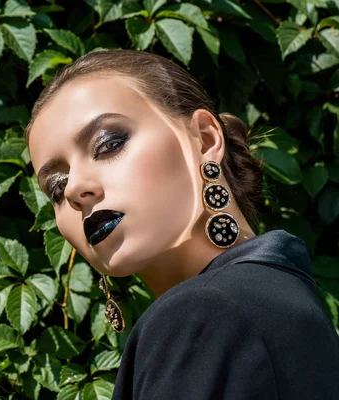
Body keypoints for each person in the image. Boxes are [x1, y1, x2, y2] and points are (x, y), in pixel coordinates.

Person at [25, 49, 339, 399]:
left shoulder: (201, 315)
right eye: (56, 186)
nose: (74, 190)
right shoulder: (294, 300)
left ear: (205, 139)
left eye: (108, 144)